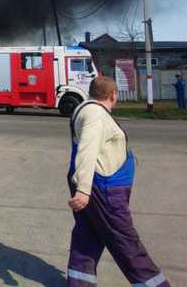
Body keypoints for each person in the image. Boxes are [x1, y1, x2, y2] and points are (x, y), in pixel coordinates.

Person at [67, 76, 169, 287]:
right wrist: (84, 189)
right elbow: (87, 149)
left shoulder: (88, 110)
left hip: (98, 187)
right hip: (104, 191)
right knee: (126, 243)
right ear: (113, 95)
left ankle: (79, 283)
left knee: (88, 237)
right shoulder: (95, 114)